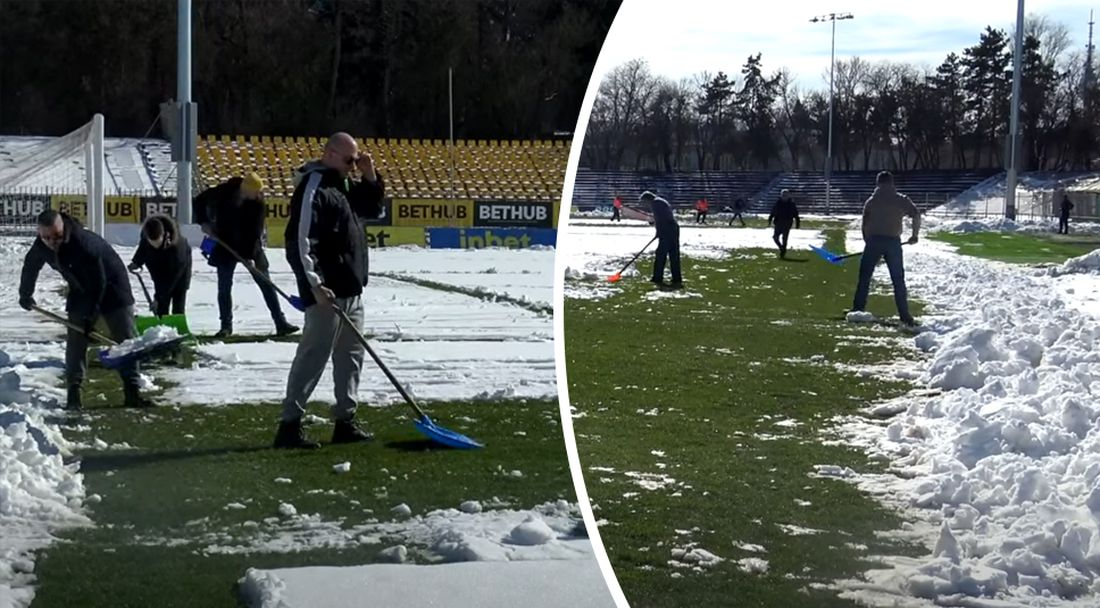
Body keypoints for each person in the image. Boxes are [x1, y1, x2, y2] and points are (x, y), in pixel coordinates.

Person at [275, 132, 386, 449]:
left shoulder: (345, 186)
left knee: (351, 359)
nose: (353, 165)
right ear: (330, 155)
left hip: (352, 289)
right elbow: (300, 242)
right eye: (350, 160)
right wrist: (315, 284)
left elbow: (373, 208)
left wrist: (370, 176)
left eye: (356, 160)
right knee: (312, 357)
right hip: (327, 293)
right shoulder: (314, 187)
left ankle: (345, 421)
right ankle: (289, 425)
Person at [18, 210, 152, 409]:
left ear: (63, 228)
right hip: (80, 288)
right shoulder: (41, 245)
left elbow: (99, 283)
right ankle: (74, 395)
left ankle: (133, 392)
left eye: (57, 236)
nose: (52, 242)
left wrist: (91, 317)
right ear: (40, 233)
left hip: (113, 287)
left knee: (124, 340)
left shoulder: (82, 244)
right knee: (76, 340)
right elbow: (31, 265)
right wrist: (25, 294)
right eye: (46, 237)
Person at [194, 172, 299, 338]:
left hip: (251, 247)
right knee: (224, 287)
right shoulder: (225, 191)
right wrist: (203, 222)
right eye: (255, 192)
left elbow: (255, 232)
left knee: (266, 284)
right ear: (245, 188)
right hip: (225, 244)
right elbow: (199, 201)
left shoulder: (258, 203)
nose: (258, 194)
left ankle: (280, 322)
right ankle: (226, 326)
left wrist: (249, 257)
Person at [850, 171, 921, 326]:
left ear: (878, 183)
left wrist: (868, 241)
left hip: (873, 241)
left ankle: (858, 309)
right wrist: (914, 235)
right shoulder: (900, 199)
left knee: (865, 277)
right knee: (898, 280)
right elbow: (916, 215)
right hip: (893, 242)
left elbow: (865, 224)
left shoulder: (871, 201)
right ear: (892, 183)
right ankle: (904, 315)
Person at [128, 214, 191, 316]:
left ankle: (177, 320)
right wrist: (137, 262)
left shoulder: (177, 249)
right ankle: (160, 319)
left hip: (179, 272)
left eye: (157, 242)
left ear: (164, 235)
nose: (155, 246)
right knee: (161, 305)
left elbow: (171, 279)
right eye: (152, 242)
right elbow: (143, 248)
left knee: (178, 296)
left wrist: (158, 298)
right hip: (158, 267)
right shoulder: (148, 234)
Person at [641, 190, 682, 288]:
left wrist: (659, 232)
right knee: (673, 255)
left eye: (645, 202)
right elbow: (660, 217)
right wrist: (654, 222)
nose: (645, 205)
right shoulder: (659, 201)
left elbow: (661, 219)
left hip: (667, 230)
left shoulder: (656, 203)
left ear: (648, 199)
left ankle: (657, 277)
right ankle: (677, 278)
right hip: (672, 229)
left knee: (660, 255)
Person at [767, 189, 800, 258]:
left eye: (786, 195)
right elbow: (773, 212)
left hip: (787, 223)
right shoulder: (778, 203)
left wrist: (797, 223)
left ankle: (783, 251)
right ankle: (781, 248)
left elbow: (796, 214)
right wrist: (770, 219)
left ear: (788, 196)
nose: (784, 196)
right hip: (778, 222)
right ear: (781, 195)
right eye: (783, 195)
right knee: (775, 237)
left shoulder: (791, 204)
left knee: (784, 238)